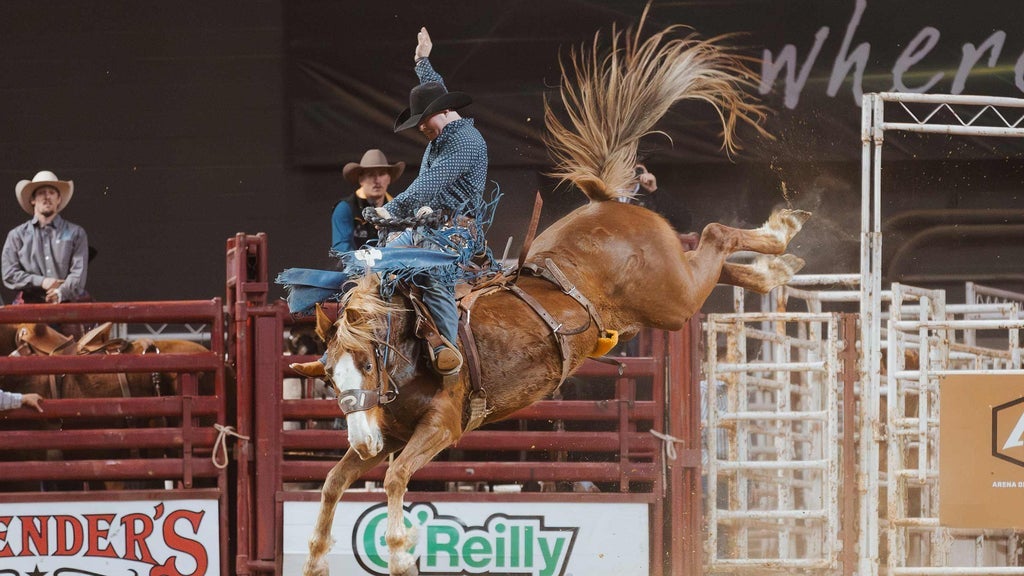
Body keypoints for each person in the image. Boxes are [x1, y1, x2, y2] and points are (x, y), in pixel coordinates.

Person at [371, 26, 488, 376]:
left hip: (457, 232)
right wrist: (423, 61)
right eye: (418, 121)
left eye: (424, 120)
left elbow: (427, 185)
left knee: (433, 275)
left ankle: (447, 352)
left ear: (446, 111)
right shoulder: (446, 132)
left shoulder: (466, 142)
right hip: (428, 226)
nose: (421, 127)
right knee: (373, 264)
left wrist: (391, 210)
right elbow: (434, 89)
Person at [2, 170, 89, 305]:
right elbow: (9, 274)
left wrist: (60, 292)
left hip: (67, 304)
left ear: (58, 199)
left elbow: (79, 273)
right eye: (42, 192)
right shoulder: (17, 235)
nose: (47, 196)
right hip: (29, 305)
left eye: (52, 192)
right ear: (33, 200)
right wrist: (42, 281)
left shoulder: (76, 233)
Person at [331, 149, 405, 254]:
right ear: (361, 179)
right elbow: (342, 249)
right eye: (370, 174)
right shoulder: (345, 208)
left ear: (389, 178)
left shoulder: (398, 209)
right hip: (356, 264)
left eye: (382, 174)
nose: (377, 180)